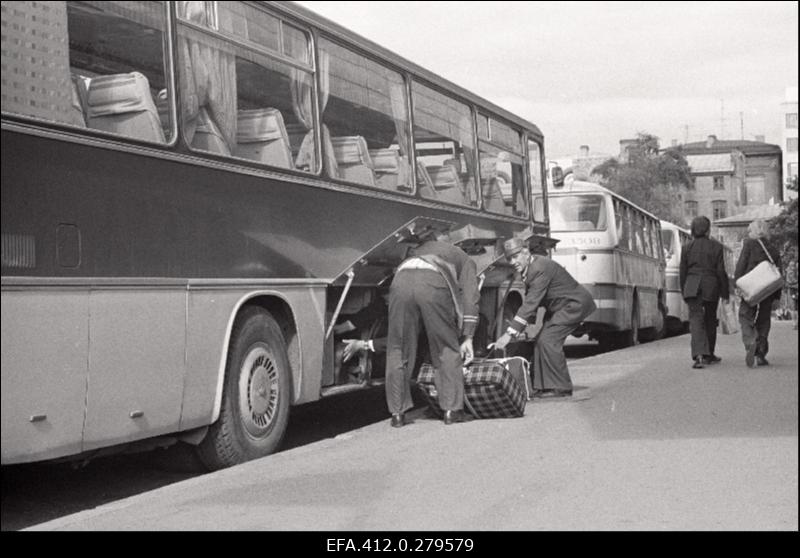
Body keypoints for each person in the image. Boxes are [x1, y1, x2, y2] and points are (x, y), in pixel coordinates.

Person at [385, 231, 479, 427]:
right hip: (432, 285)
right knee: (446, 346)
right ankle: (452, 411)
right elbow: (470, 298)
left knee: (398, 348)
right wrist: (468, 336)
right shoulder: (462, 256)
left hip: (400, 282)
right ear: (453, 243)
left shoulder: (417, 250)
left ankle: (397, 414)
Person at [491, 237, 596, 398]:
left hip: (574, 305)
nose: (512, 261)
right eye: (509, 258)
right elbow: (531, 301)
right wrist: (526, 328)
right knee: (541, 340)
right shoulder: (530, 268)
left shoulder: (539, 268)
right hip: (562, 306)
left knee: (548, 340)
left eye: (516, 256)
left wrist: (509, 333)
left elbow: (530, 303)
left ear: (526, 253)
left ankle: (561, 387)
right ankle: (542, 386)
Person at [679, 216, 730, 369]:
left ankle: (699, 355)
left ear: (693, 230)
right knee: (710, 320)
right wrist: (725, 292)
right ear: (708, 230)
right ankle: (709, 354)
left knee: (695, 320)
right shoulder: (716, 247)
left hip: (692, 286)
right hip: (711, 286)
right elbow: (721, 271)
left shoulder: (686, 247)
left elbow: (683, 271)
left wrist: (684, 290)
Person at [734, 219, 782, 367]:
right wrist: (777, 296)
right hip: (768, 289)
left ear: (753, 231)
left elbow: (741, 265)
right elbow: (779, 272)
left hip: (751, 288)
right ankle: (761, 353)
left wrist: (737, 284)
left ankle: (751, 342)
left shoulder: (749, 244)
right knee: (764, 319)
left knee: (745, 315)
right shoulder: (773, 249)